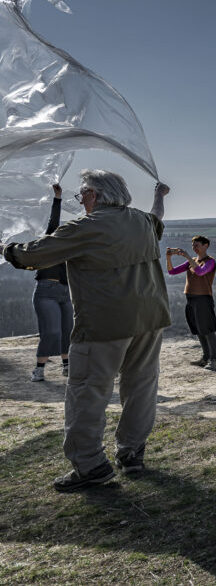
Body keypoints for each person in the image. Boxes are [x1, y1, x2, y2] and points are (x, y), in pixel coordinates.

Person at [2, 170, 171, 492]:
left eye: (82, 195)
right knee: (141, 387)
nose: (81, 201)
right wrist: (159, 196)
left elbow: (30, 256)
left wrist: (3, 248)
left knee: (86, 392)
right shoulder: (141, 221)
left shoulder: (85, 227)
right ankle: (132, 452)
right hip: (150, 318)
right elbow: (157, 216)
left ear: (94, 194)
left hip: (104, 323)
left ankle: (90, 465)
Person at [29, 183, 73, 382]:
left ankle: (67, 366)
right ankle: (39, 369)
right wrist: (58, 198)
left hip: (65, 292)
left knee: (67, 331)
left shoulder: (71, 250)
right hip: (46, 291)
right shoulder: (50, 243)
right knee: (52, 332)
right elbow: (53, 221)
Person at [166, 236, 216, 370]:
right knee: (198, 330)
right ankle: (205, 358)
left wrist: (188, 257)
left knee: (208, 329)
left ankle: (214, 360)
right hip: (191, 299)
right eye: (193, 246)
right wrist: (168, 258)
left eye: (197, 245)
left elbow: (200, 272)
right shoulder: (192, 261)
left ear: (205, 245)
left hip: (203, 299)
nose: (194, 248)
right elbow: (172, 271)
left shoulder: (210, 261)